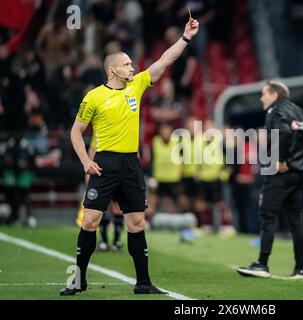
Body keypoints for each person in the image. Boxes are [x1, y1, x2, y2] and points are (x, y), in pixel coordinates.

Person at [60, 17, 199, 296]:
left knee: (136, 223)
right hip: (105, 163)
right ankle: (78, 280)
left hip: (131, 164)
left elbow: (164, 61)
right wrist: (86, 162)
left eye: (132, 64)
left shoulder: (136, 85)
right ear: (112, 70)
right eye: (126, 64)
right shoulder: (94, 97)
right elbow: (75, 132)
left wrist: (185, 37)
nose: (132, 68)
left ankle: (143, 283)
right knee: (90, 222)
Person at [237, 80, 303, 280]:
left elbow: (283, 133)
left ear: (274, 95)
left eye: (264, 94)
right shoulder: (301, 112)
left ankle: (262, 264)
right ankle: (300, 268)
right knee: (296, 220)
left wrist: (282, 160)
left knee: (267, 216)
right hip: (299, 175)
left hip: (281, 174)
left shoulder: (275, 112)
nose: (261, 98)